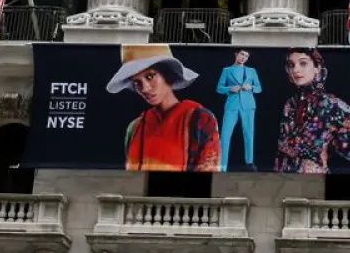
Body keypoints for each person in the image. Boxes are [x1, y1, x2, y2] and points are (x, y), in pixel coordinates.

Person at [108, 44, 221, 172]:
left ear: (168, 75)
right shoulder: (135, 127)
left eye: (150, 76)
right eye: (136, 82)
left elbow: (208, 175)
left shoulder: (200, 119)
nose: (144, 89)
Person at [275, 47, 350, 173]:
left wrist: (334, 146)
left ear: (317, 68)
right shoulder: (290, 104)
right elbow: (282, 150)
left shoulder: (328, 103)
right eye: (291, 65)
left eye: (303, 63)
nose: (296, 70)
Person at [216, 49, 262, 172]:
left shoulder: (252, 71)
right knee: (225, 136)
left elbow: (259, 88)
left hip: (248, 106)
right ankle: (222, 166)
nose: (243, 57)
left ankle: (249, 162)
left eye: (246, 56)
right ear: (236, 54)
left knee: (248, 135)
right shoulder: (227, 70)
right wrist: (230, 89)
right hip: (232, 106)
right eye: (242, 54)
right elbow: (219, 88)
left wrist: (251, 87)